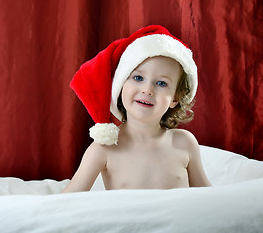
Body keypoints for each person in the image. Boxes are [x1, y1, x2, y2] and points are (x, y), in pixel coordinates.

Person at [63, 25, 211, 193]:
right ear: (120, 85)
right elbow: (67, 201)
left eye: (161, 83)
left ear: (175, 98)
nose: (147, 90)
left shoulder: (184, 143)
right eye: (138, 77)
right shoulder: (103, 149)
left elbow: (208, 198)